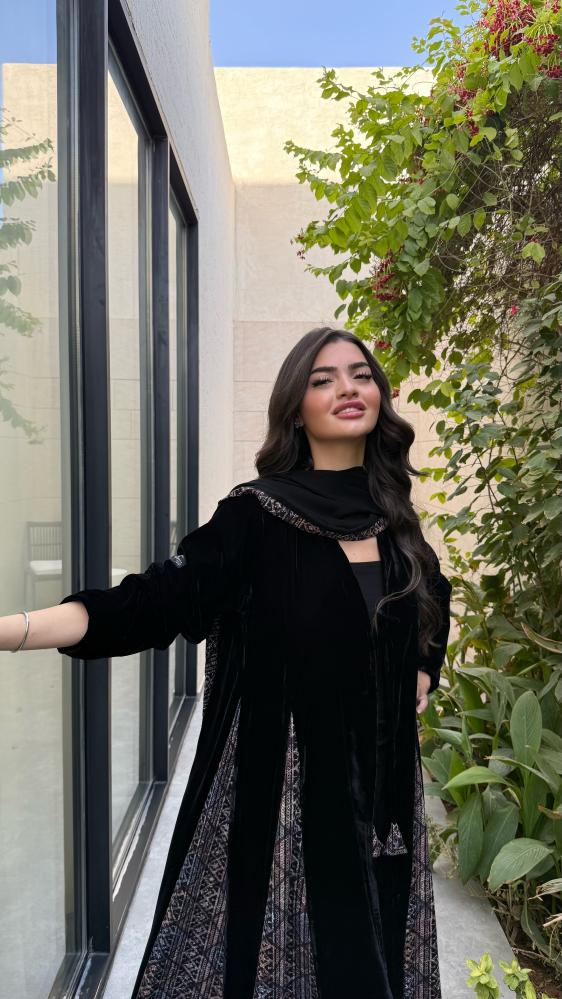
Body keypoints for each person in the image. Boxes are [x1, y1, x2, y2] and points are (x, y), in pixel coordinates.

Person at [1, 325, 452, 999]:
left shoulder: (392, 519)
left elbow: (432, 593)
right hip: (287, 803)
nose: (347, 387)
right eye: (323, 378)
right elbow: (151, 602)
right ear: (295, 408)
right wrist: (14, 630)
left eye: (360, 374)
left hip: (383, 797)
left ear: (380, 398)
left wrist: (422, 667)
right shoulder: (255, 518)